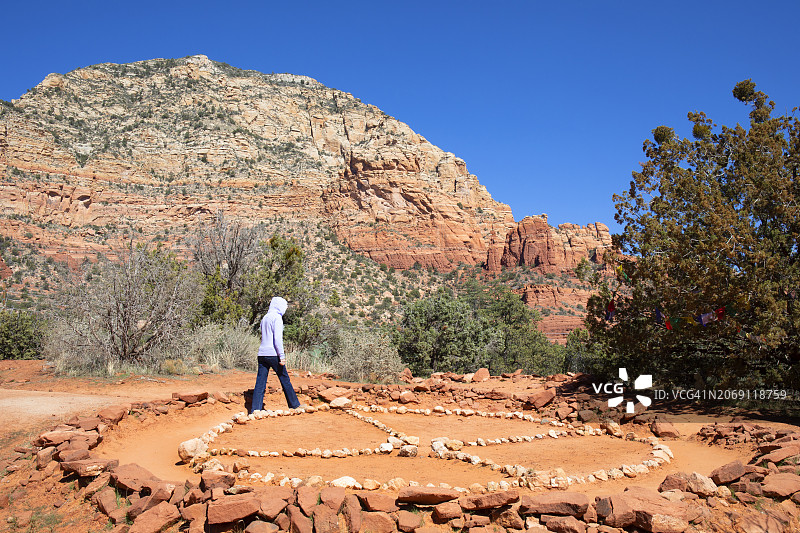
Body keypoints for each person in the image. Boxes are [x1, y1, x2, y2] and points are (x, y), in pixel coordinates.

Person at [250, 296, 301, 412]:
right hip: (273, 354)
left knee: (260, 382)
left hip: (261, 354)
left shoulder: (265, 317)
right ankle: (295, 405)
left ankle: (255, 410)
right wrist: (281, 356)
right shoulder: (277, 318)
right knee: (284, 379)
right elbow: (277, 339)